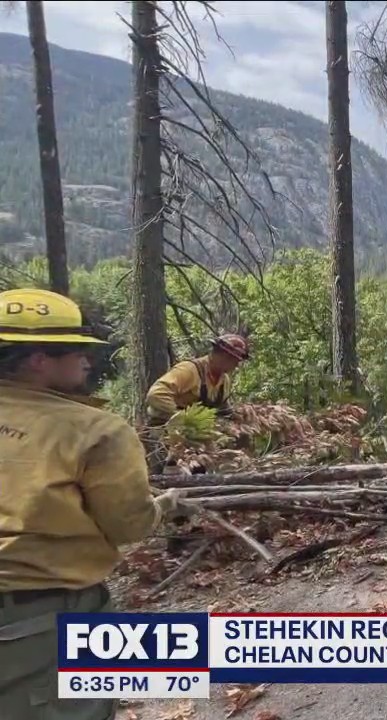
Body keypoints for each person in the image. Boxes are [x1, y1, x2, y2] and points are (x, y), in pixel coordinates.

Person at [0, 288, 185, 720]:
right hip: (41, 615)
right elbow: (128, 525)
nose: (88, 360)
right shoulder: (94, 431)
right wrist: (164, 505)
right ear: (37, 359)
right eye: (77, 349)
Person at [145, 333, 250, 423]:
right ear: (223, 356)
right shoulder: (189, 370)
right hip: (165, 428)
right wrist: (183, 418)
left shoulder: (224, 381)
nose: (236, 365)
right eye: (235, 361)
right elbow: (155, 395)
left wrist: (237, 415)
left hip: (197, 434)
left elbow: (222, 408)